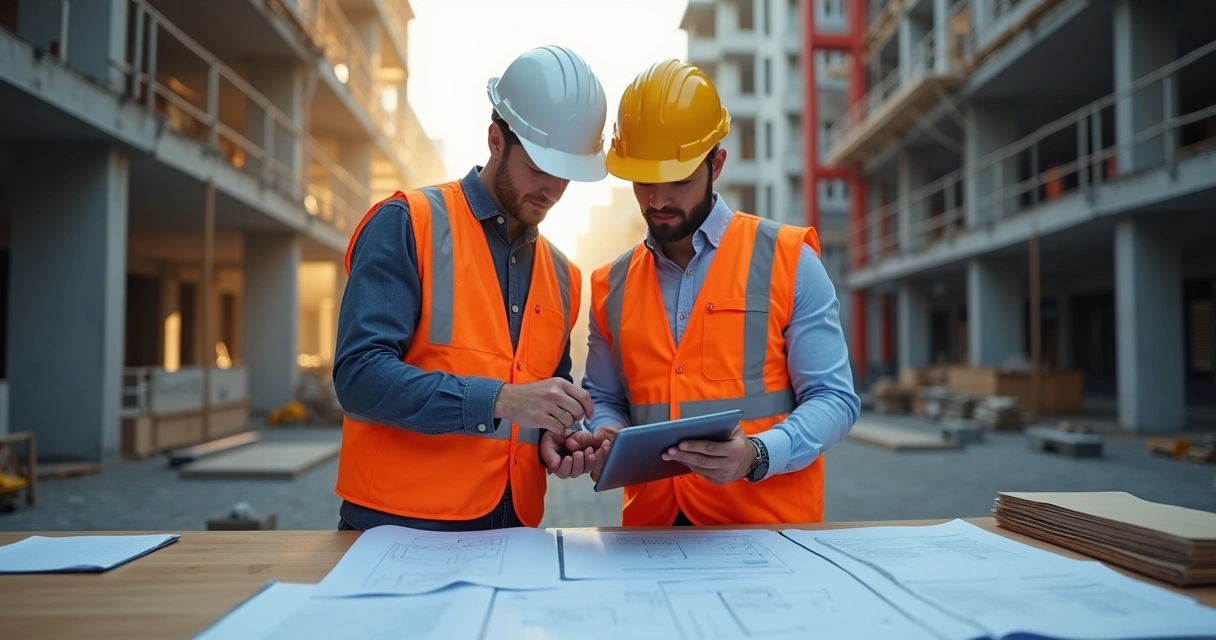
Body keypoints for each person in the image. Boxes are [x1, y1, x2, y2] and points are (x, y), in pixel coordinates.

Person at [331, 46, 610, 532]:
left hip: (513, 531)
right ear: (496, 139)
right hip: (399, 528)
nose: (553, 190)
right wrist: (501, 400)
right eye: (541, 168)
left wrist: (557, 438)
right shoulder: (408, 224)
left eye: (566, 176)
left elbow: (542, 404)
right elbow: (359, 377)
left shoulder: (564, 275)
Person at [579, 59, 861, 526]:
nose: (659, 200)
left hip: (770, 531)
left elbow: (835, 398)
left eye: (680, 180)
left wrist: (756, 454)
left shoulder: (789, 260)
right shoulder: (611, 284)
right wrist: (606, 433)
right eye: (644, 181)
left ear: (717, 164)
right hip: (652, 535)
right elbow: (606, 398)